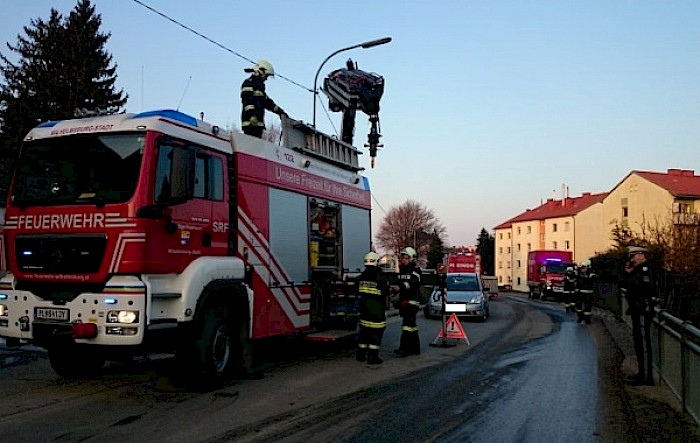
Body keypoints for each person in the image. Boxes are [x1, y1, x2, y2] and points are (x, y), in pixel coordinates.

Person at [621, 246, 657, 386]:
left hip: (643, 310)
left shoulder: (645, 270)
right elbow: (624, 283)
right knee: (639, 343)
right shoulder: (637, 271)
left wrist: (630, 275)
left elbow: (642, 288)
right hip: (637, 310)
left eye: (633, 257)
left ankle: (646, 377)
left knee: (643, 343)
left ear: (640, 256)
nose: (632, 259)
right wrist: (628, 273)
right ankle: (642, 373)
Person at [356, 252, 389, 365]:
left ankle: (360, 355)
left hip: (364, 310)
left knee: (364, 333)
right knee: (376, 333)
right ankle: (372, 357)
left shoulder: (362, 276)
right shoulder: (380, 276)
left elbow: (358, 290)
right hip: (377, 311)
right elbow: (385, 292)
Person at [240, 59, 287, 138]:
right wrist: (253, 116)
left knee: (257, 147)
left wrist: (281, 112)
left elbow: (268, 103)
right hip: (250, 123)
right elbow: (247, 100)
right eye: (266, 75)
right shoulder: (248, 83)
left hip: (258, 124)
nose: (266, 78)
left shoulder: (260, 89)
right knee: (251, 145)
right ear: (260, 71)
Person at [392, 247, 422, 357]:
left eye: (406, 258)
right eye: (402, 258)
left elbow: (412, 284)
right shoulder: (403, 270)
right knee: (412, 326)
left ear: (411, 258)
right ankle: (415, 349)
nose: (403, 260)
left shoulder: (415, 271)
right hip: (405, 301)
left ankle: (404, 349)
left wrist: (399, 288)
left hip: (412, 302)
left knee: (407, 326)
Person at [575, 260, 596, 324]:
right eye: (582, 267)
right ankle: (580, 316)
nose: (582, 269)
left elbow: (592, 281)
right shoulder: (579, 274)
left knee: (588, 307)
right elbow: (577, 282)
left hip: (588, 292)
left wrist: (586, 277)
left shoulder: (592, 274)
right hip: (580, 292)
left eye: (584, 267)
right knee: (579, 305)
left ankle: (587, 319)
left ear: (588, 267)